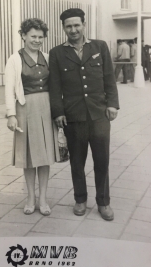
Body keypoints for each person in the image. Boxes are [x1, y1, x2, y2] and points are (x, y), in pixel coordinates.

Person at [49, 8, 119, 221]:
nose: (73, 30)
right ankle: (80, 199)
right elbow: (55, 86)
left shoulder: (99, 47)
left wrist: (113, 104)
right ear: (64, 28)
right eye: (68, 26)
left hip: (99, 115)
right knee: (77, 162)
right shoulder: (57, 53)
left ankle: (104, 202)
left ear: (84, 24)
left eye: (76, 25)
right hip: (74, 116)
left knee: (102, 160)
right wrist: (58, 112)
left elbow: (109, 77)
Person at [5, 18, 59, 216]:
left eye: (40, 37)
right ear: (23, 36)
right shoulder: (15, 59)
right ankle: (30, 197)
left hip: (46, 109)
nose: (37, 40)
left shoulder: (47, 56)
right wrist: (11, 115)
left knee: (44, 157)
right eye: (33, 36)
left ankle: (43, 199)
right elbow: (9, 89)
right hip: (25, 109)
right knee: (28, 158)